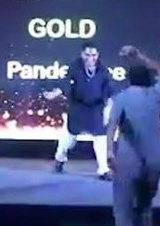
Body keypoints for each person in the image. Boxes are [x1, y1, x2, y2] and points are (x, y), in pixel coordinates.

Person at [107, 45, 160, 226]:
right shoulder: (156, 94)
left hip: (129, 158)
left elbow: (112, 126)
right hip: (155, 158)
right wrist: (139, 55)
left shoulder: (122, 98)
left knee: (122, 200)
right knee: (145, 204)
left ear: (128, 79)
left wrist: (109, 152)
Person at [44, 42, 113, 180]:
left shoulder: (103, 70)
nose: (90, 58)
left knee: (100, 139)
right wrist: (55, 93)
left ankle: (103, 170)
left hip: (95, 109)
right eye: (87, 55)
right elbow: (66, 84)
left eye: (94, 55)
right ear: (82, 54)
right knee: (68, 140)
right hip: (77, 108)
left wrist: (108, 110)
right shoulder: (74, 67)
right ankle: (59, 160)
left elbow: (109, 91)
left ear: (97, 55)